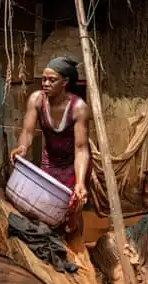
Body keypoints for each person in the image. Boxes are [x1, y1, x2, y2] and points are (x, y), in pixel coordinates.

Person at [10, 56, 91, 234]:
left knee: (72, 209)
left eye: (52, 80)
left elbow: (81, 149)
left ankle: (76, 247)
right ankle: (50, 245)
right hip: (51, 159)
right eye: (44, 79)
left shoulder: (78, 108)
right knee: (45, 205)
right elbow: (28, 132)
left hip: (74, 163)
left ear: (65, 82)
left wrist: (80, 182)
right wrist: (22, 148)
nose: (45, 83)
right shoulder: (37, 100)